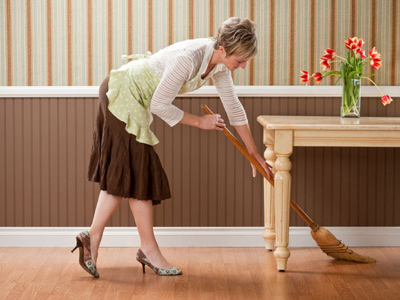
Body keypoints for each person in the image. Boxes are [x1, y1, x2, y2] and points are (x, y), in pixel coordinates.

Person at [71, 17, 273, 278]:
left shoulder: (220, 66)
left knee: (129, 172)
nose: (243, 66)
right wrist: (200, 121)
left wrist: (253, 154)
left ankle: (94, 237)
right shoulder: (188, 58)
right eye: (241, 60)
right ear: (223, 49)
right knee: (137, 170)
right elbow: (159, 105)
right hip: (121, 95)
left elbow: (234, 108)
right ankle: (143, 248)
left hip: (134, 101)